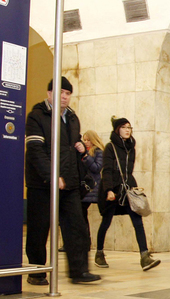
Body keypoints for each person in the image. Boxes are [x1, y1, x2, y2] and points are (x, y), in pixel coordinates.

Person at [24, 77, 101, 284]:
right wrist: (51, 175)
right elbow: (35, 151)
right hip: (42, 184)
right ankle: (37, 272)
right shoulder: (37, 116)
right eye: (60, 92)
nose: (64, 97)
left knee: (76, 227)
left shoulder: (73, 118)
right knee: (39, 229)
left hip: (69, 183)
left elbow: (70, 147)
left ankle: (79, 271)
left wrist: (80, 148)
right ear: (49, 93)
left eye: (68, 94)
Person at [96, 117, 161, 272]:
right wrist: (109, 190)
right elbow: (107, 170)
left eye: (129, 127)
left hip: (128, 190)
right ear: (117, 129)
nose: (127, 130)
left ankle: (144, 257)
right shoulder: (110, 147)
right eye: (124, 127)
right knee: (106, 221)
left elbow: (128, 171)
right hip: (113, 190)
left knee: (137, 221)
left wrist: (133, 187)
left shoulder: (131, 147)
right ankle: (99, 253)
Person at [79, 130, 105, 250]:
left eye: (88, 139)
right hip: (81, 187)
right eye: (84, 139)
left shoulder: (98, 152)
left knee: (82, 214)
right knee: (80, 215)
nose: (86, 142)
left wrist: (86, 157)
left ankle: (86, 242)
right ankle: (83, 241)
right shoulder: (81, 152)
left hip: (91, 188)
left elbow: (97, 168)